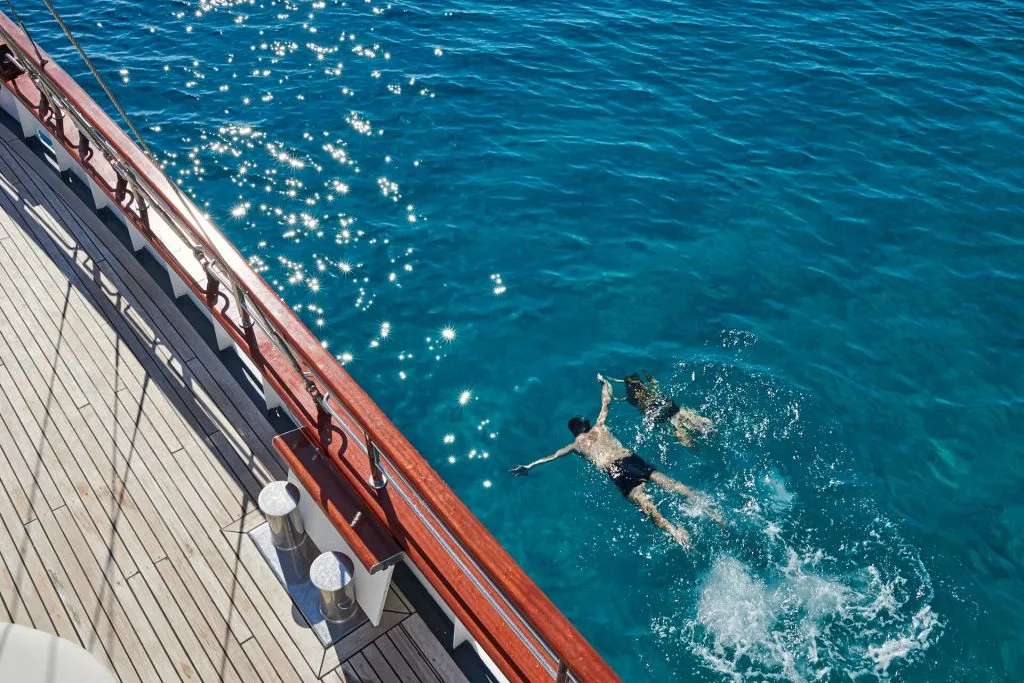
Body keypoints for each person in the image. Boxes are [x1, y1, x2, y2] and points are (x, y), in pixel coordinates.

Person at [510, 374, 721, 548]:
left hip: (616, 472)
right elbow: (606, 401)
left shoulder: (574, 446)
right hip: (629, 460)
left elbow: (552, 456)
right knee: (670, 484)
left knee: (647, 507)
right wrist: (604, 382)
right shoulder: (599, 426)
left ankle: (675, 533)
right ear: (584, 425)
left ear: (574, 432)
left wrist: (529, 466)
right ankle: (710, 510)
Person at [616, 372, 713, 447]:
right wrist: (646, 373)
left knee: (681, 430)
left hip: (664, 414)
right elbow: (654, 383)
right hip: (670, 411)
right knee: (690, 423)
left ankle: (695, 445)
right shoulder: (648, 390)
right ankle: (705, 436)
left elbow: (620, 399)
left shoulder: (632, 399)